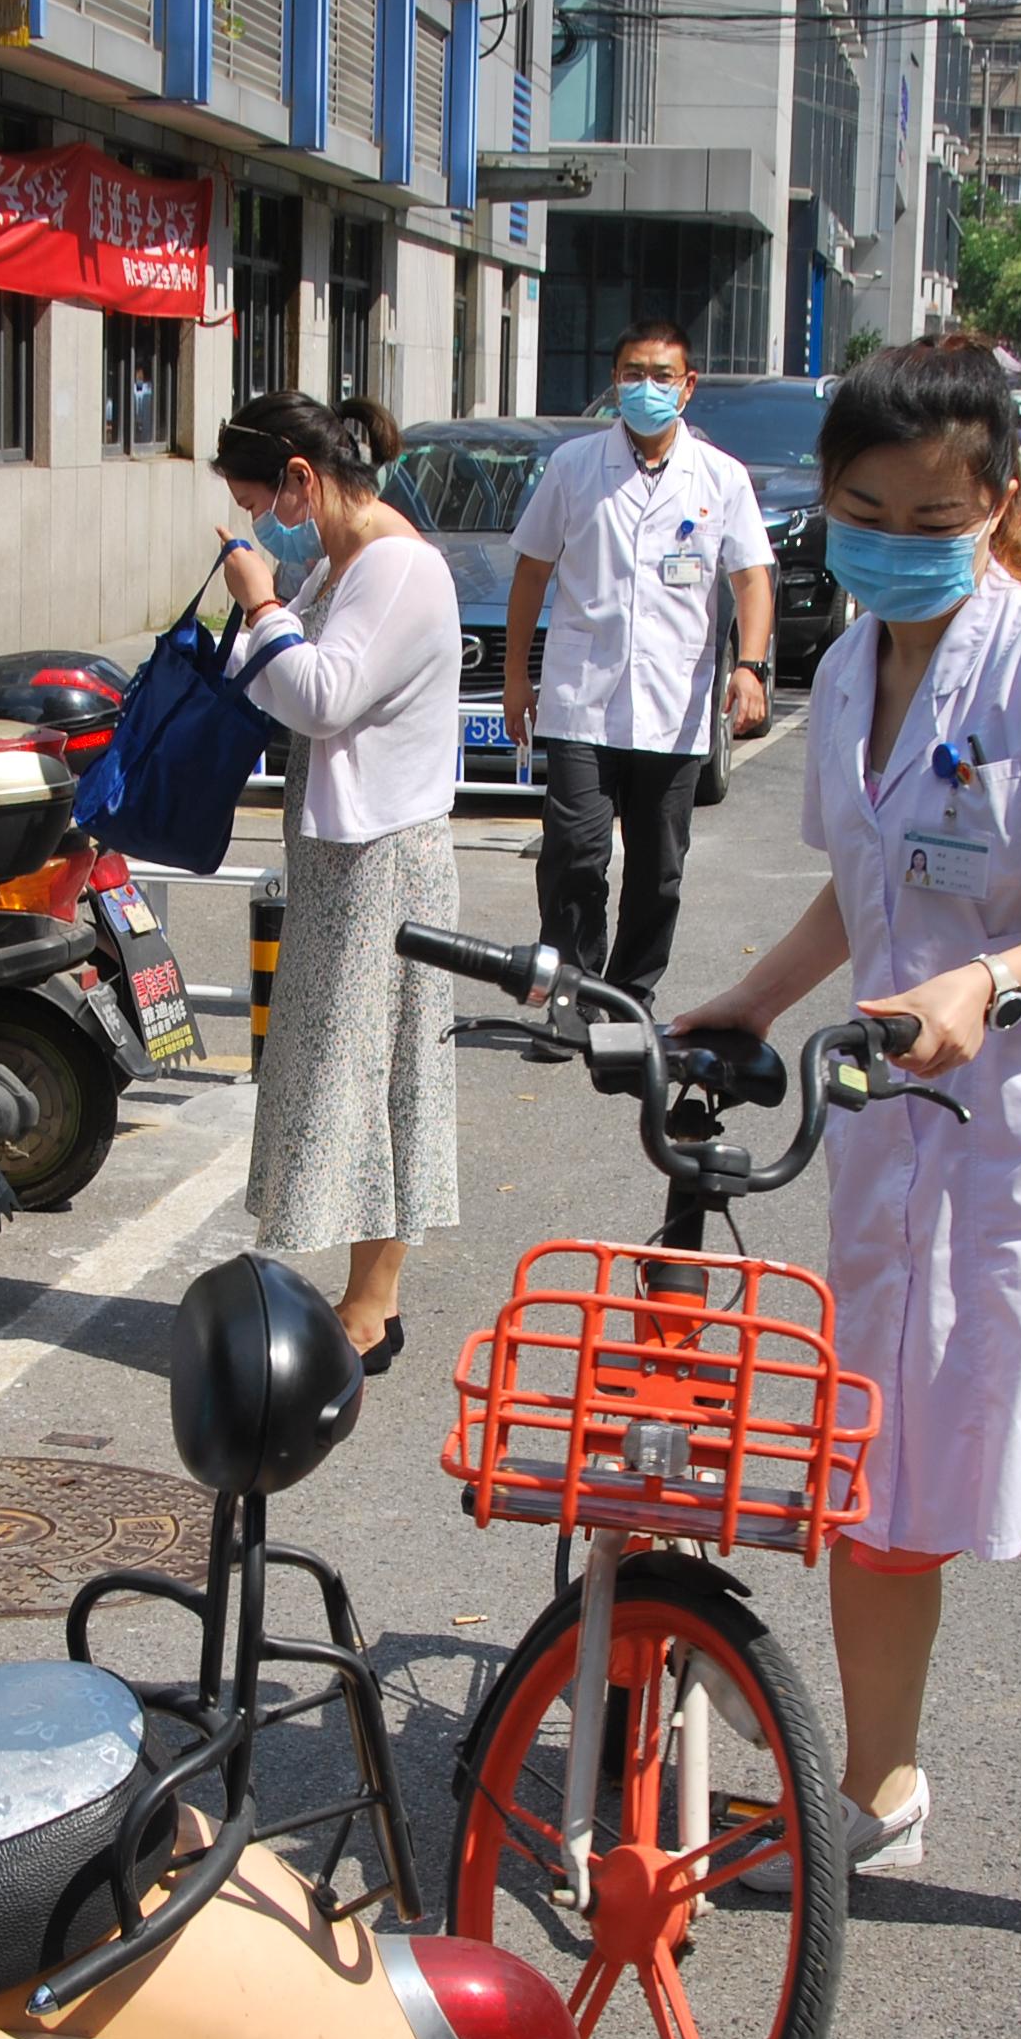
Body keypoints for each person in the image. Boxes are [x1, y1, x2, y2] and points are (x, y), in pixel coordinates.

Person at [669, 339, 1021, 1991]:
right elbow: (873, 891)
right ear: (824, 508)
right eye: (863, 508)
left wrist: (995, 981)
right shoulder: (850, 675)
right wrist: (753, 999)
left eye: (930, 510)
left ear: (995, 506)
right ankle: (875, 1790)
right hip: (899, 1141)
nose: (895, 534)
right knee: (878, 1494)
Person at [215, 391, 466, 1366]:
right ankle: (367, 1298)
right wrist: (269, 616)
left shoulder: (394, 566)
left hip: (382, 859)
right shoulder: (340, 559)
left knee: (379, 1070)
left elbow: (320, 696)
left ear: (301, 477)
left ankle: (372, 1304)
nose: (259, 521)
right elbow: (278, 679)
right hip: (342, 850)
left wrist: (261, 603)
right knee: (350, 1066)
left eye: (260, 497)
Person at [505, 321, 778, 1014]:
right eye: (632, 373)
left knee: (659, 872)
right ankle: (571, 993)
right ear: (614, 380)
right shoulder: (573, 466)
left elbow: (751, 580)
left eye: (662, 375)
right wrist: (516, 676)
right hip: (580, 701)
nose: (645, 387)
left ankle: (627, 998)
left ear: (687, 387)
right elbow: (532, 573)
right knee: (574, 856)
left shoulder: (721, 478)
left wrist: (749, 667)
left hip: (674, 704)